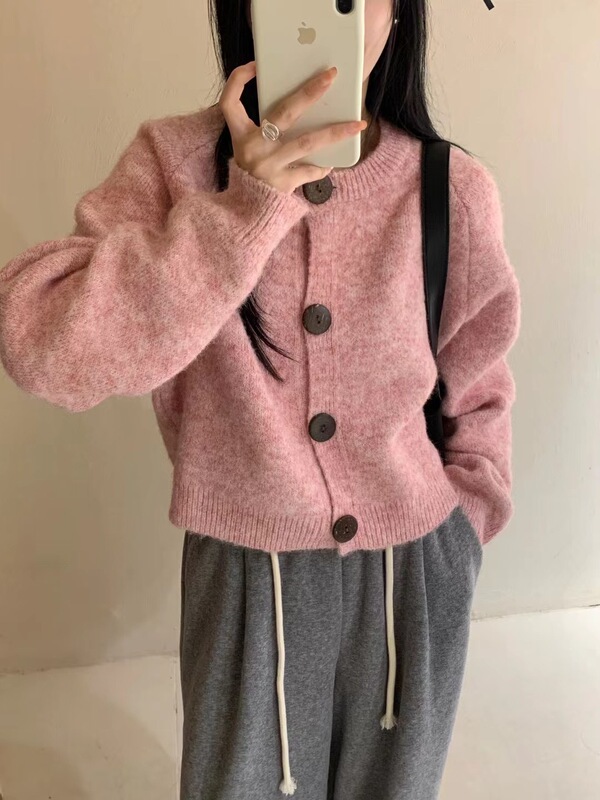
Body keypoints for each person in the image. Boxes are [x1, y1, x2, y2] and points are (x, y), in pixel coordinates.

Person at [0, 0, 521, 797]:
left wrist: (462, 532)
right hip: (247, 585)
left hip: (414, 578)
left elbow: (478, 383)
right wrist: (241, 213)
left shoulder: (450, 187)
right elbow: (38, 344)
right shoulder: (174, 165)